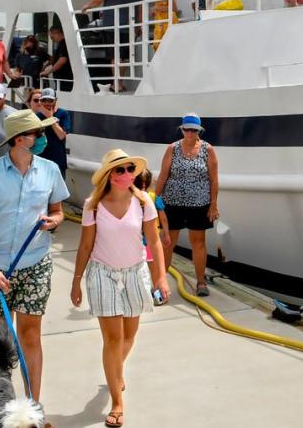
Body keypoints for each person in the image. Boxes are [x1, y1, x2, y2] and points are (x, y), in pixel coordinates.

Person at [0, 109, 69, 409]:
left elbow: (59, 210)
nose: (43, 138)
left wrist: (54, 220)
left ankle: (32, 408)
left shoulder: (49, 170)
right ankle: (2, 405)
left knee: (30, 335)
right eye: (39, 133)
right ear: (21, 139)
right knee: (3, 343)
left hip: (35, 263)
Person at [70, 149, 170, 428]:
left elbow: (154, 241)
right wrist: (76, 280)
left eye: (130, 169)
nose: (127, 174)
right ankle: (117, 402)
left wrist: (160, 277)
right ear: (109, 176)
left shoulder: (143, 203)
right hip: (102, 274)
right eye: (120, 170)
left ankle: (115, 371)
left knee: (129, 336)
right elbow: (86, 246)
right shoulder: (93, 205)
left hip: (135, 273)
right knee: (113, 339)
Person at [155, 113, 219, 296]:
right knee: (168, 242)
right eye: (186, 129)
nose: (190, 133)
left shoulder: (208, 149)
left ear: (199, 131)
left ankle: (200, 282)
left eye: (193, 130)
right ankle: (161, 282)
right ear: (181, 129)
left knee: (198, 243)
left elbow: (214, 180)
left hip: (199, 204)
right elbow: (163, 175)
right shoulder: (172, 149)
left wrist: (213, 204)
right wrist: (154, 199)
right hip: (172, 203)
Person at [81, 0, 145, 91]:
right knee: (125, 57)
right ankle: (119, 83)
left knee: (114, 56)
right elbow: (140, 8)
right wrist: (139, 26)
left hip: (111, 26)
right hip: (129, 27)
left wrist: (86, 6)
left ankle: (116, 84)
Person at [134, 168, 170, 287]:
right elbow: (163, 218)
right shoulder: (154, 197)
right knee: (153, 266)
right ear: (148, 184)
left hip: (135, 240)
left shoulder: (130, 198)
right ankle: (157, 292)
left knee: (135, 267)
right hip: (150, 240)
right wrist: (166, 234)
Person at [34, 88, 70, 178]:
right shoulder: (36, 117)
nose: (47, 103)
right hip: (40, 161)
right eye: (44, 100)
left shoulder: (63, 114)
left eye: (50, 100)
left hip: (58, 161)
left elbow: (61, 135)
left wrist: (50, 118)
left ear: (55, 100)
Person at [41, 24, 73, 91]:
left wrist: (48, 72)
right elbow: (55, 58)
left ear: (56, 33)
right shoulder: (62, 44)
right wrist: (46, 66)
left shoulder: (64, 43)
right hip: (62, 80)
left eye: (52, 37)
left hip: (65, 79)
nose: (52, 39)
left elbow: (62, 60)